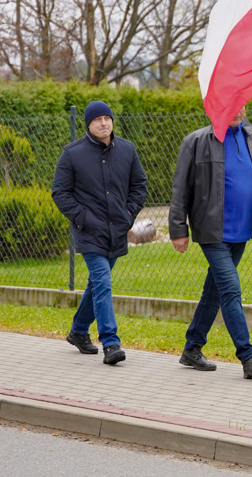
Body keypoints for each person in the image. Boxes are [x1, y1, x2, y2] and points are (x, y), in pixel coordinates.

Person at [169, 106, 252, 379]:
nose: (238, 110)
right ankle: (248, 356)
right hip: (212, 231)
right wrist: (178, 229)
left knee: (214, 291)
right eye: (231, 105)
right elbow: (181, 189)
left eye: (241, 105)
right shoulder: (196, 141)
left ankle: (192, 348)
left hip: (242, 231)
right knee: (230, 290)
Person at [52, 101, 147, 365]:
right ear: (88, 124)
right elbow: (60, 193)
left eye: (107, 118)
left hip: (117, 230)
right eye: (98, 120)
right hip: (89, 232)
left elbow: (139, 186)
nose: (104, 123)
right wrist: (84, 218)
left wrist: (128, 216)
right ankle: (111, 343)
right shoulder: (72, 154)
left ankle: (79, 331)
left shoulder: (127, 150)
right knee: (103, 282)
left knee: (96, 285)